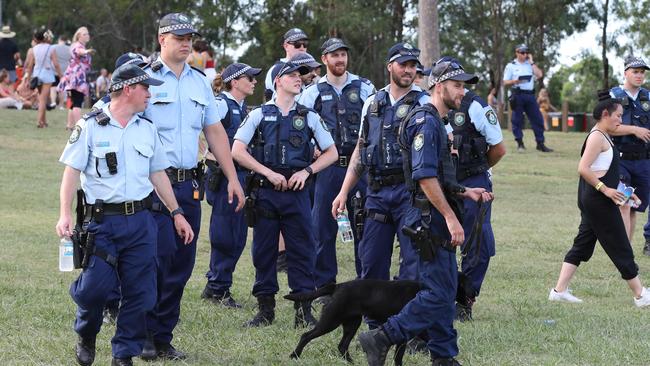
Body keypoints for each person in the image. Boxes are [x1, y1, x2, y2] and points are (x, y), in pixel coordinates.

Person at [55, 63, 194, 366]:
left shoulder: (147, 129)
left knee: (141, 294)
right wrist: (64, 214)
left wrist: (177, 213)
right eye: (146, 88)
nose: (150, 95)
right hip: (103, 223)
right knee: (94, 290)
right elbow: (71, 172)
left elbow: (158, 175)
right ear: (129, 88)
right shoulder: (91, 126)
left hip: (141, 223)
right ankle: (87, 333)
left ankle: (123, 354)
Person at [357, 57, 492, 366]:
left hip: (432, 217)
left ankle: (444, 357)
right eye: (457, 86)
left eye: (463, 87)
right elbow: (424, 177)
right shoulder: (426, 122)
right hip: (430, 220)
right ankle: (382, 337)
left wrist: (464, 190)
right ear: (439, 86)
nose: (462, 93)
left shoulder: (434, 121)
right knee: (438, 293)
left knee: (443, 290)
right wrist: (450, 216)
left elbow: (440, 177)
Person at [140, 13, 244, 361]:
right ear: (162, 40)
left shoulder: (201, 82)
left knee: (181, 265)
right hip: (152, 186)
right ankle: (142, 333)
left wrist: (232, 176)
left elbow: (215, 131)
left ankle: (162, 337)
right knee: (154, 261)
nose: (186, 44)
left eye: (190, 38)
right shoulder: (146, 79)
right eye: (179, 38)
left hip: (189, 185)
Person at [231, 56, 338, 328]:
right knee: (264, 252)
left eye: (301, 75)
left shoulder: (309, 116)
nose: (299, 78)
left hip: (298, 194)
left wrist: (307, 172)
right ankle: (265, 310)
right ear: (278, 80)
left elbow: (332, 152)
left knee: (302, 250)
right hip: (266, 193)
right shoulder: (258, 114)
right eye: (293, 74)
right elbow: (237, 151)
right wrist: (267, 172)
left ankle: (303, 311)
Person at [331, 42, 427, 284]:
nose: (408, 70)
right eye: (403, 64)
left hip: (411, 194)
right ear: (390, 67)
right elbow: (362, 148)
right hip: (376, 192)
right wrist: (344, 192)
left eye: (413, 65)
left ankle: (406, 320)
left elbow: (446, 147)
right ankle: (375, 322)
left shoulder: (425, 103)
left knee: (413, 264)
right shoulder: (373, 102)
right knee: (371, 261)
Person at [549, 90, 650, 308]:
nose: (620, 120)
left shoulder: (605, 136)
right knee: (620, 245)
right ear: (606, 113)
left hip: (594, 199)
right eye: (618, 116)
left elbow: (603, 170)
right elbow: (583, 169)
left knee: (583, 244)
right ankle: (641, 295)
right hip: (597, 201)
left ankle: (559, 291)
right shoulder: (596, 137)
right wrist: (605, 191)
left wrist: (623, 190)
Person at [298, 37, 375, 289]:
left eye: (343, 54)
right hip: (328, 171)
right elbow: (299, 131)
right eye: (334, 55)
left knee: (364, 227)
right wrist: (312, 149)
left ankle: (364, 285)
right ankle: (324, 287)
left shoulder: (364, 88)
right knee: (322, 229)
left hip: (361, 168)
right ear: (324, 59)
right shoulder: (311, 94)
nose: (340, 59)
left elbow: (376, 125)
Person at [443, 56, 506, 321]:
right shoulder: (429, 104)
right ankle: (440, 295)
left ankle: (465, 299)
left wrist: (477, 171)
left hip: (473, 179)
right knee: (440, 240)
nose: (459, 87)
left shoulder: (476, 106)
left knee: (477, 243)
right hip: (442, 181)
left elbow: (499, 149)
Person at [201, 62, 261, 308]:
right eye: (250, 78)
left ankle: (216, 283)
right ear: (235, 81)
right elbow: (204, 133)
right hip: (226, 179)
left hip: (241, 178)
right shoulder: (221, 104)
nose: (254, 82)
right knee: (226, 235)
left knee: (237, 236)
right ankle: (218, 288)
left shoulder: (243, 107)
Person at [609, 56, 650, 255]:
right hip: (621, 161)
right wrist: (634, 130)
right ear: (625, 73)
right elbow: (608, 128)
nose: (639, 75)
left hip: (643, 162)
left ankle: (627, 253)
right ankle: (624, 256)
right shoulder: (613, 95)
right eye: (635, 71)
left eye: (642, 72)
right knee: (623, 204)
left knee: (633, 207)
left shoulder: (647, 97)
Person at [503, 44, 552, 152]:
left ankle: (540, 143)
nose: (525, 54)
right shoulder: (511, 65)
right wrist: (514, 81)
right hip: (517, 95)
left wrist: (532, 62)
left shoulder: (529, 64)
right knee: (517, 120)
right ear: (517, 53)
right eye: (522, 52)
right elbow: (505, 81)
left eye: (526, 52)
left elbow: (539, 75)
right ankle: (520, 143)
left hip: (530, 95)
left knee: (538, 118)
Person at [59, 26, 95, 130]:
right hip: (76, 78)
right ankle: (79, 127)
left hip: (76, 77)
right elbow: (78, 51)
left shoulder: (81, 46)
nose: (87, 36)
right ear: (79, 36)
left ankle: (70, 125)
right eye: (84, 34)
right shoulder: (77, 45)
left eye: (88, 34)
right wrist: (87, 51)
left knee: (74, 101)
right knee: (78, 102)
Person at [24, 29, 61, 128]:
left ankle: (44, 121)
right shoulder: (51, 48)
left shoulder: (34, 49)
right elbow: (56, 64)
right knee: (43, 100)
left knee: (42, 98)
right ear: (46, 37)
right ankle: (39, 122)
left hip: (37, 75)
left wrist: (27, 80)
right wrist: (61, 76)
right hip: (47, 75)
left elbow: (30, 66)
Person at [263, 28, 309, 101]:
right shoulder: (277, 69)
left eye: (305, 44)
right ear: (286, 46)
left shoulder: (309, 67)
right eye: (297, 44)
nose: (302, 48)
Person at [51, 36, 71, 109]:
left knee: (53, 87)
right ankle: (61, 105)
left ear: (59, 40)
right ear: (65, 41)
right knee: (62, 89)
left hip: (54, 70)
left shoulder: (53, 47)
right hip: (65, 71)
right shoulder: (69, 49)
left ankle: (53, 102)